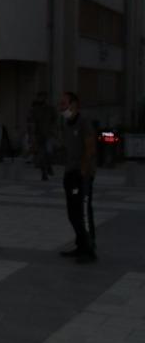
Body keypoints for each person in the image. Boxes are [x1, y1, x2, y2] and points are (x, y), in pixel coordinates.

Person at [58, 92, 97, 263]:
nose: (62, 107)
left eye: (64, 103)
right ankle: (81, 245)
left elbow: (90, 148)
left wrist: (82, 172)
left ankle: (89, 249)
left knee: (83, 212)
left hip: (83, 174)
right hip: (70, 172)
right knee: (72, 213)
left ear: (74, 104)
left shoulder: (84, 122)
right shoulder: (66, 123)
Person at [31, 91, 55, 181]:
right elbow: (32, 122)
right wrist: (32, 135)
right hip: (39, 135)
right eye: (40, 97)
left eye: (43, 97)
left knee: (49, 152)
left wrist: (53, 129)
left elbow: (54, 119)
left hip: (48, 134)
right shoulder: (35, 109)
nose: (41, 99)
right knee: (41, 155)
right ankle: (44, 173)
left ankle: (49, 166)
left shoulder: (50, 109)